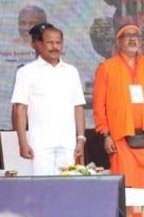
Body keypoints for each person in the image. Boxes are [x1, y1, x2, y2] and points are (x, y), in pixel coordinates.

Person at [93, 24, 144, 217]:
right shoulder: (106, 67)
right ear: (118, 42)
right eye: (127, 36)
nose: (133, 39)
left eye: (136, 35)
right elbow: (99, 106)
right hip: (121, 139)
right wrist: (105, 133)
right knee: (128, 188)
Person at [11, 24, 87, 175]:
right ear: (38, 45)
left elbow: (78, 106)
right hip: (40, 144)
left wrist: (80, 137)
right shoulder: (26, 72)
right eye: (50, 43)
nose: (55, 47)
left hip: (67, 142)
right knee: (42, 189)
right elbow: (20, 109)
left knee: (66, 188)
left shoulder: (71, 71)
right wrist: (22, 141)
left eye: (58, 43)